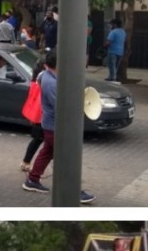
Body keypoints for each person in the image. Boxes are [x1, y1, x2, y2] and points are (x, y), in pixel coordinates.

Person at [21, 50, 95, 203]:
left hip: (50, 124)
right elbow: (60, 107)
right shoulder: (51, 83)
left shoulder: (46, 75)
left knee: (48, 151)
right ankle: (73, 191)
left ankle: (32, 180)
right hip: (55, 126)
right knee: (67, 158)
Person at [20, 57, 45, 172]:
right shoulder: (42, 82)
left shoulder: (35, 82)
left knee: (37, 140)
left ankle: (26, 162)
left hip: (38, 117)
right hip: (42, 117)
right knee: (39, 140)